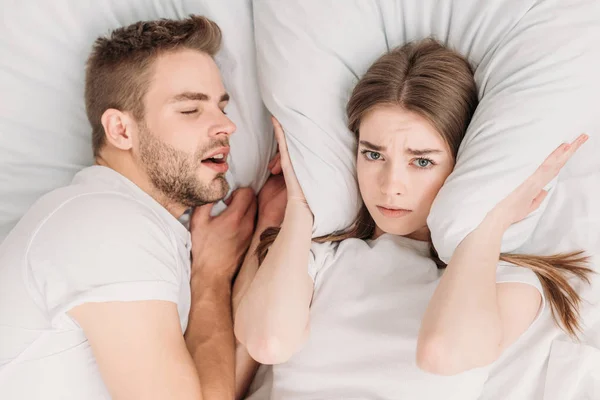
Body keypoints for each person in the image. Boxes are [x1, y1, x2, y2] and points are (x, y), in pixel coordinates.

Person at [233, 39, 592, 399]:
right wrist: (299, 202)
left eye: (422, 161)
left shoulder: (507, 282)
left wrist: (491, 220)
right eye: (373, 154)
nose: (391, 186)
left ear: (461, 164)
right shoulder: (317, 259)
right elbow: (267, 342)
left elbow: (444, 351)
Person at [0, 15, 276, 400]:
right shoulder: (104, 225)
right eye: (190, 110)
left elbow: (212, 387)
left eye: (222, 107)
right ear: (121, 130)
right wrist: (210, 280)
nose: (226, 126)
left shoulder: (141, 229)